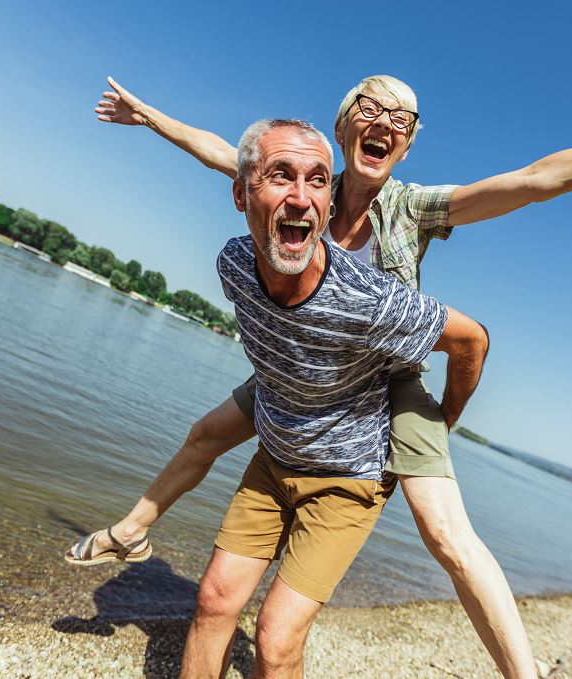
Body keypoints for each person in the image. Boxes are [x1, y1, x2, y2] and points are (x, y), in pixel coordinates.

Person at [70, 71, 572, 677]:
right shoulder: (305, 187)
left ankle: (522, 671)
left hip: (389, 376)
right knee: (208, 431)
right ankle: (132, 531)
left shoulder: (414, 208)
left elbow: (543, 178)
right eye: (370, 108)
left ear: (408, 144)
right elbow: (221, 149)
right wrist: (151, 119)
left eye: (402, 119)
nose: (386, 122)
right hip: (308, 366)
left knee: (446, 534)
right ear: (342, 128)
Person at [183, 118, 489, 678]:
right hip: (273, 462)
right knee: (213, 601)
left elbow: (471, 339)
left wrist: (442, 420)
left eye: (319, 180)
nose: (301, 198)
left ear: (329, 202)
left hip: (347, 482)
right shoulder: (234, 266)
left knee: (275, 640)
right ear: (240, 192)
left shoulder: (368, 299)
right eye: (281, 176)